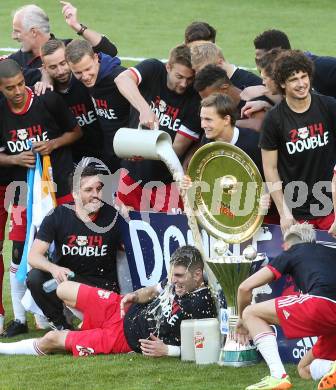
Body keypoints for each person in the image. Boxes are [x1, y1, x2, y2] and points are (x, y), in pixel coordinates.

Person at [0, 245, 216, 358]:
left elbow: (202, 347)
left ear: (198, 275)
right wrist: (135, 296)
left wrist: (168, 351)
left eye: (179, 276)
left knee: (50, 339)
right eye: (173, 275)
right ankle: (84, 324)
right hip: (120, 305)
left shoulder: (200, 304)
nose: (174, 281)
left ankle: (2, 349)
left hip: (121, 338)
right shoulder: (176, 278)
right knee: (63, 288)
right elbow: (152, 291)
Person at [0, 58, 82, 336]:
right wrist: (12, 159)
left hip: (57, 187)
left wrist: (53, 144)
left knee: (63, 247)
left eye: (21, 83)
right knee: (19, 250)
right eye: (10, 88)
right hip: (21, 191)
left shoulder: (47, 101)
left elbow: (75, 131)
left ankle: (58, 312)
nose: (18, 91)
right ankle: (20, 319)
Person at [235, 223, 336, 390]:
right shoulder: (331, 252)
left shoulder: (293, 252)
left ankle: (277, 376)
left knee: (250, 313)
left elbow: (244, 288)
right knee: (303, 368)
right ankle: (329, 368)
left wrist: (241, 319)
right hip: (330, 319)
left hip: (321, 304)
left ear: (287, 244)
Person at [27, 165, 121, 330]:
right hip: (68, 280)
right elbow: (33, 256)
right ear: (75, 193)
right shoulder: (57, 215)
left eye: (99, 189)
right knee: (35, 277)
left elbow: (134, 252)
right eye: (88, 190)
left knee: (97, 331)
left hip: (102, 288)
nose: (96, 195)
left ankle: (94, 320)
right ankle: (61, 324)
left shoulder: (114, 217)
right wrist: (54, 268)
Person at [114, 44, 203, 212]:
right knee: (126, 228)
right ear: (168, 67)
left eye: (190, 78)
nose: (184, 83)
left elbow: (177, 148)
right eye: (179, 76)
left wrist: (143, 151)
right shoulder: (154, 69)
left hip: (166, 184)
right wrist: (145, 109)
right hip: (131, 175)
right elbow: (122, 79)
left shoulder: (194, 99)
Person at [259, 50, 336, 233]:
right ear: (282, 83)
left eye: (304, 76)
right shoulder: (273, 119)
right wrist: (284, 212)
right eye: (294, 79)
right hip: (297, 213)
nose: (302, 84)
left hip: (330, 210)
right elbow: (270, 168)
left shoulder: (329, 106)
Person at [64, 39, 127, 172]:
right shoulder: (89, 82)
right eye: (78, 72)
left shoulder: (119, 78)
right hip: (110, 155)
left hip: (130, 157)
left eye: (88, 69)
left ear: (96, 58)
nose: (85, 76)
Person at [253, 29, 336, 99]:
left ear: (277, 52)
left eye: (262, 59)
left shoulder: (322, 67)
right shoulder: (285, 80)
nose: (260, 66)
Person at [193, 64, 267, 131]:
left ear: (224, 89)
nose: (208, 103)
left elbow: (259, 125)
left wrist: (224, 123)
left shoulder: (252, 98)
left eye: (210, 98)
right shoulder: (219, 107)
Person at [190, 42, 262, 89]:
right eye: (197, 71)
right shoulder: (209, 84)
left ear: (220, 63)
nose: (199, 76)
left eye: (204, 71)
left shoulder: (252, 84)